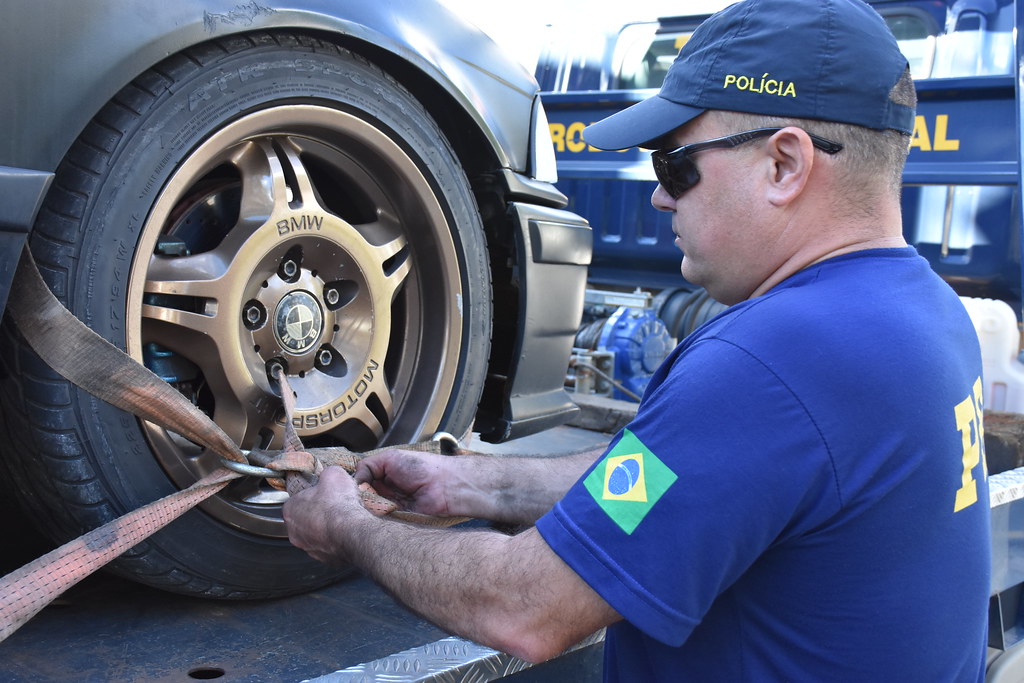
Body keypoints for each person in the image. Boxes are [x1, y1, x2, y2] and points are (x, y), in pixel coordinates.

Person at [283, 0, 992, 679]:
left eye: (675, 165)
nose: (659, 195)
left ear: (784, 165)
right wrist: (470, 482)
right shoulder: (925, 311)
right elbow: (688, 477)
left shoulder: (772, 361)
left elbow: (525, 607)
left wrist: (346, 526)